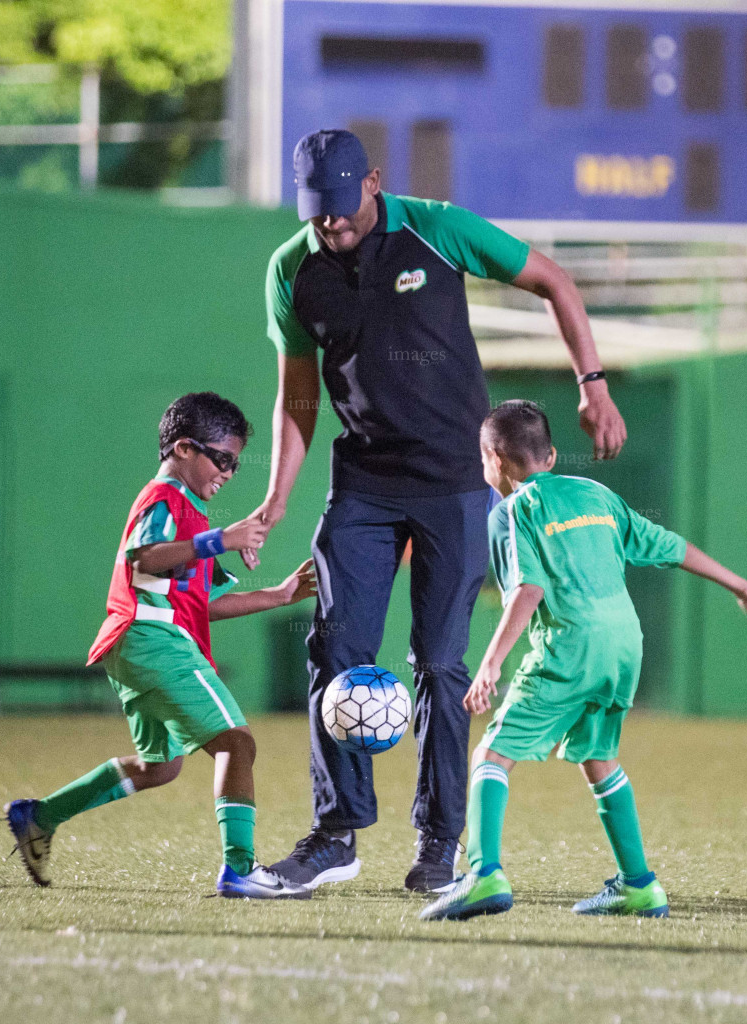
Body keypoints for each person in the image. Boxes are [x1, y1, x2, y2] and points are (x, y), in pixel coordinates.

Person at [254, 128, 629, 893]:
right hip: (360, 486)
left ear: (375, 181)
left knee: (440, 663)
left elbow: (555, 280)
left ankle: (438, 844)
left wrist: (593, 384)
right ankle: (337, 835)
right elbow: (298, 391)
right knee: (335, 650)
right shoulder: (292, 269)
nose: (331, 224)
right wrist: (276, 497)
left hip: (456, 487)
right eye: (316, 212)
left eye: (342, 207)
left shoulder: (438, 227)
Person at [420, 401, 747, 921]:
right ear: (549, 454)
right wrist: (744, 587)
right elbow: (670, 546)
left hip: (573, 644)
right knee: (600, 759)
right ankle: (639, 886)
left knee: (491, 755)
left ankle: (482, 876)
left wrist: (490, 664)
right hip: (624, 643)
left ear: (494, 460)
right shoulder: (596, 493)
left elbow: (526, 589)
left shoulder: (509, 511)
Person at [5, 392, 316, 900]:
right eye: (222, 458)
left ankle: (40, 816)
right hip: (153, 639)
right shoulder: (165, 498)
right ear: (184, 448)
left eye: (236, 463)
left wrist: (279, 595)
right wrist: (221, 540)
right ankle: (240, 870)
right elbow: (144, 558)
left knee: (160, 767)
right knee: (236, 744)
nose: (230, 472)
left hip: (135, 643)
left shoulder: (190, 513)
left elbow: (203, 604)